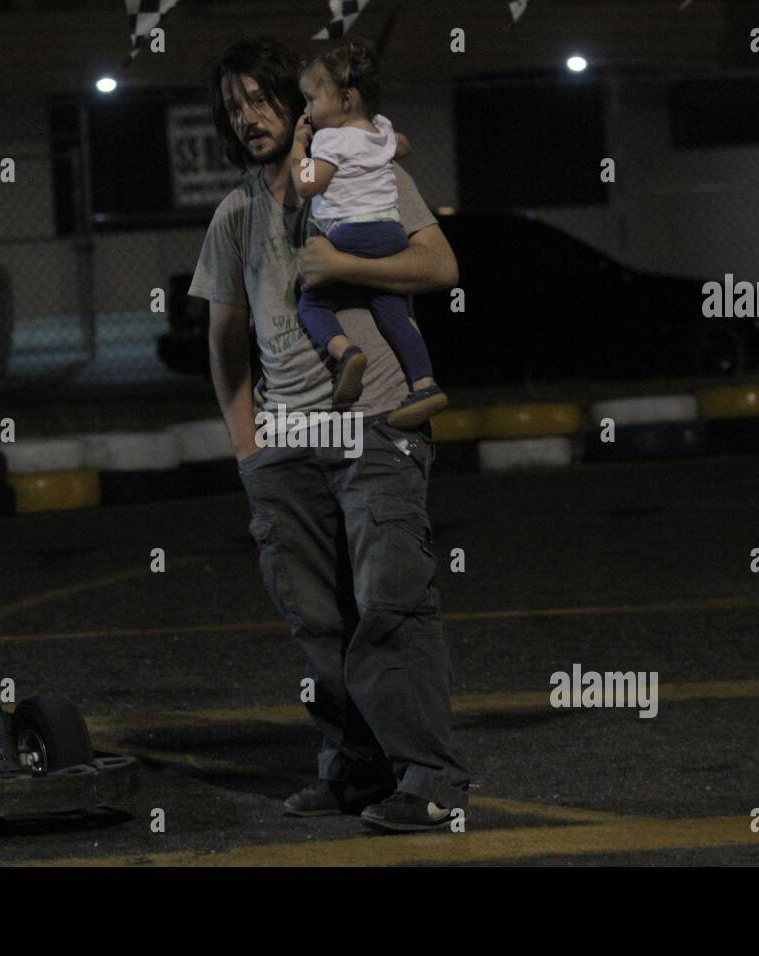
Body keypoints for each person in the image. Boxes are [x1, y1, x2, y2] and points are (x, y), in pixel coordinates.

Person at [190, 38, 470, 831]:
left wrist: (343, 266)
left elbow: (439, 268)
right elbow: (225, 345)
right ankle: (352, 767)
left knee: (390, 603)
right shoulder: (237, 214)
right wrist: (248, 451)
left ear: (297, 99)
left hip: (376, 426)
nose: (248, 117)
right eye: (233, 106)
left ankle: (431, 780)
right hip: (284, 444)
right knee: (316, 621)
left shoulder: (364, 176)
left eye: (260, 98)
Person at [292, 38, 448, 428]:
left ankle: (346, 352)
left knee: (312, 302)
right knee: (392, 313)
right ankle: (425, 383)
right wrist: (383, 150)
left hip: (350, 234)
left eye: (312, 100)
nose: (308, 111)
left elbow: (308, 185)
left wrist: (299, 151)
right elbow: (404, 146)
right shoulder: (379, 129)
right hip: (389, 234)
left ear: (345, 101)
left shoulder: (331, 138)